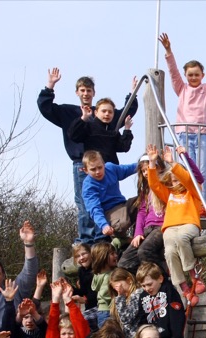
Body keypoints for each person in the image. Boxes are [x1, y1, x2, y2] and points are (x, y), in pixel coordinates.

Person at [37, 68, 137, 244]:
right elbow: (46, 108)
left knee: (111, 202)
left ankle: (105, 237)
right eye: (82, 90)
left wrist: (132, 94)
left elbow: (125, 114)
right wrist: (50, 86)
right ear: (77, 92)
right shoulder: (70, 112)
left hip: (106, 167)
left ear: (94, 93)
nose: (85, 93)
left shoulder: (102, 115)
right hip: (83, 165)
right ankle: (88, 240)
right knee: (86, 205)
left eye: (89, 90)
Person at [159, 33, 206, 199]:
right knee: (185, 168)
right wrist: (169, 51)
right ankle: (186, 198)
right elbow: (173, 72)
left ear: (202, 76)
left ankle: (202, 203)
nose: (193, 77)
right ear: (186, 76)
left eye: (196, 74)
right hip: (184, 134)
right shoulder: (181, 89)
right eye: (190, 75)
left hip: (202, 134)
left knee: (202, 169)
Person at [145, 143, 206, 299]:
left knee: (181, 239)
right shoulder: (169, 194)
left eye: (178, 179)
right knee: (170, 252)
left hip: (189, 224)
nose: (176, 182)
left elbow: (189, 179)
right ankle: (183, 286)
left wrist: (173, 163)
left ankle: (193, 274)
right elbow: (154, 184)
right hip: (170, 227)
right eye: (173, 180)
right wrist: (152, 163)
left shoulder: (192, 192)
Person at [117, 154, 168, 275]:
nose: (146, 173)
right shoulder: (145, 190)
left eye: (149, 169)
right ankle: (143, 282)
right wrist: (138, 233)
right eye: (143, 170)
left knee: (144, 251)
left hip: (161, 227)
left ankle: (163, 277)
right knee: (123, 263)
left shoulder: (166, 186)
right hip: (147, 228)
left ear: (160, 167)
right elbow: (141, 213)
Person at [80, 151, 137, 243]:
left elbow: (127, 169)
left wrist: (143, 164)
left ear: (104, 164)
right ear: (86, 170)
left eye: (100, 167)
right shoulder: (88, 187)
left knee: (145, 201)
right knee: (121, 225)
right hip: (109, 212)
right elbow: (95, 209)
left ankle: (140, 232)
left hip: (123, 204)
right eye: (93, 169)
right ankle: (120, 240)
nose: (98, 172)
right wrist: (104, 225)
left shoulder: (110, 168)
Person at [67, 98, 133, 166]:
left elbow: (123, 147)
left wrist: (127, 129)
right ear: (96, 112)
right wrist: (83, 118)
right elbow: (73, 135)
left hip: (110, 170)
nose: (107, 114)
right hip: (93, 168)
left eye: (110, 112)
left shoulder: (113, 131)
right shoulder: (89, 127)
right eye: (104, 111)